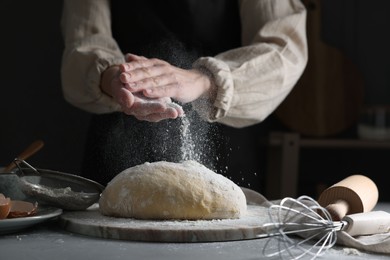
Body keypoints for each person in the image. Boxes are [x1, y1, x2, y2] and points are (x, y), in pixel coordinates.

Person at [60, 0, 308, 185]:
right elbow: (83, 41)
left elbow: (284, 50)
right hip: (117, 141)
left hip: (224, 140)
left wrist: (204, 80)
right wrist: (115, 77)